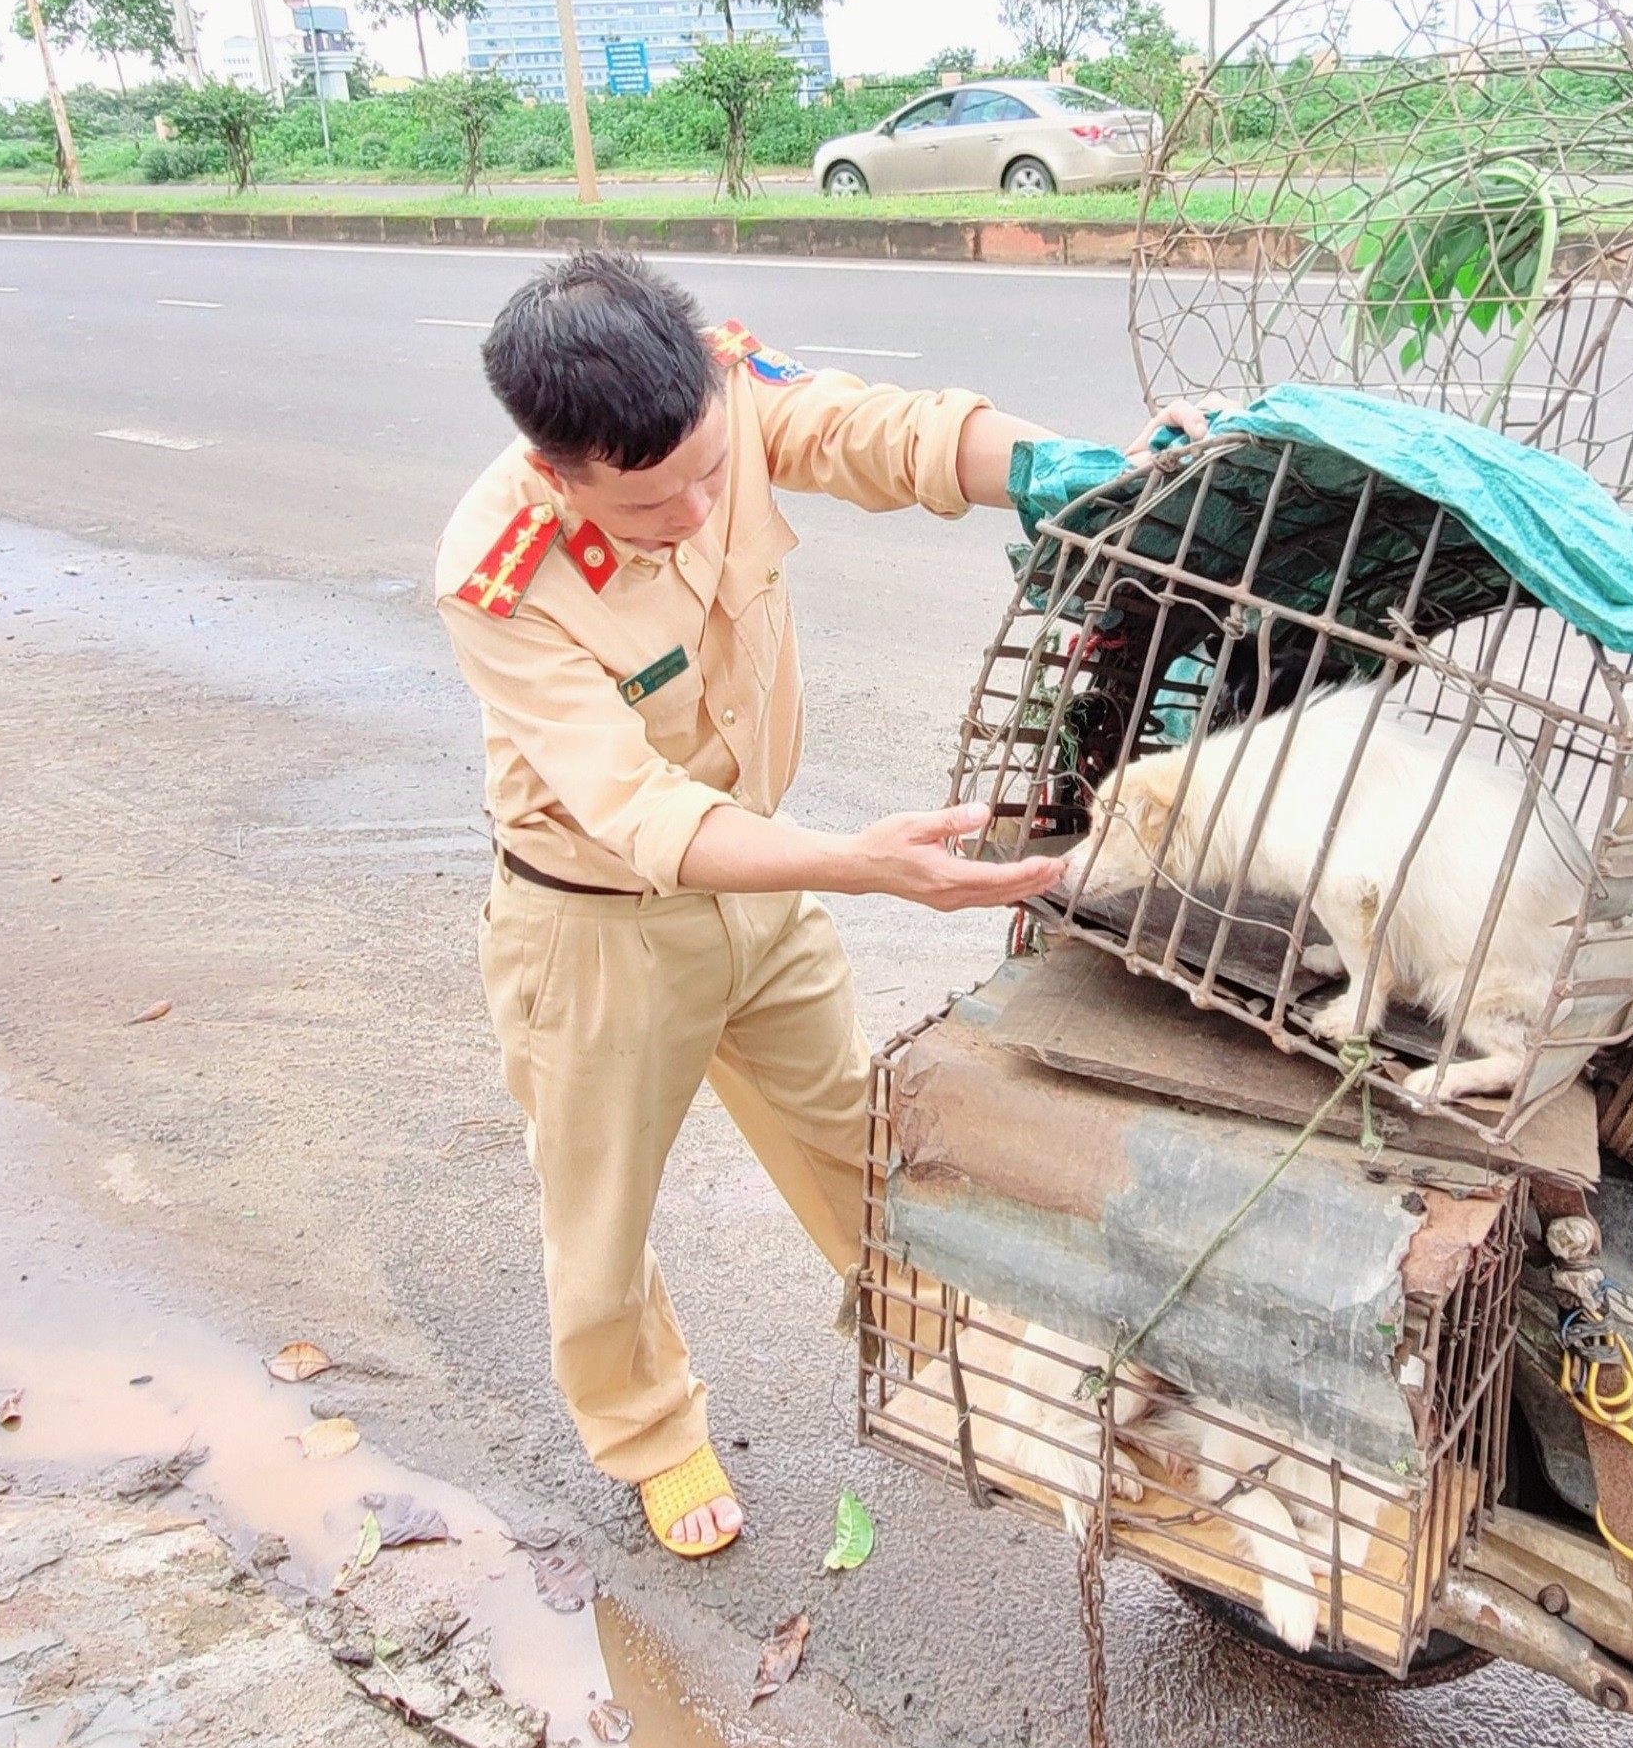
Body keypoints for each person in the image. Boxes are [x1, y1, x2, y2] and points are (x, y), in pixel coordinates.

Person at [436, 250, 1199, 1559]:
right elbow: (643, 815)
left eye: (711, 476)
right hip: (596, 930)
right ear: (559, 473)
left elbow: (878, 431)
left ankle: (951, 1343)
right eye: (651, 506)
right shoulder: (498, 577)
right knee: (600, 1213)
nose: (695, 511)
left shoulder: (726, 393)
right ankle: (651, 1435)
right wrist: (864, 862)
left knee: (854, 1134)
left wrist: (1055, 466)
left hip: (767, 888)